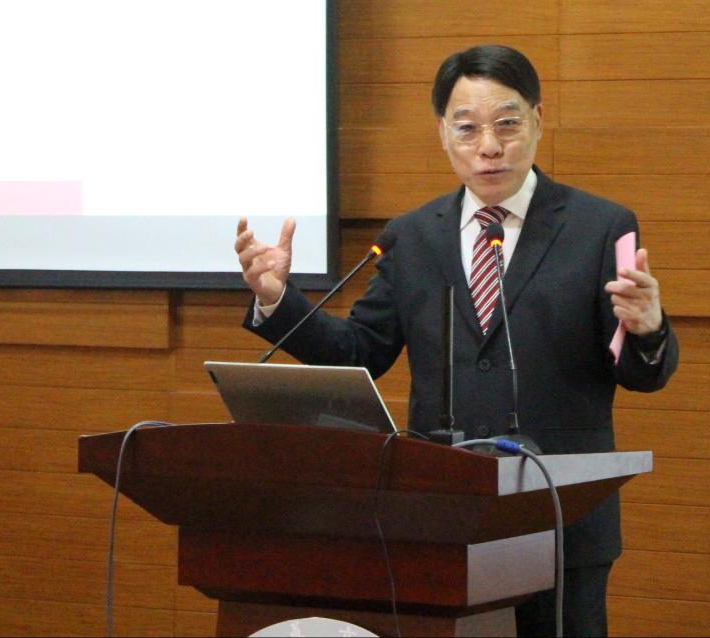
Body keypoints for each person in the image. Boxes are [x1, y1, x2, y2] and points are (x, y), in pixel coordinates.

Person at [234, 45, 678, 637]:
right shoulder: (413, 235)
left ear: (538, 120)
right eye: (467, 128)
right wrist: (276, 299)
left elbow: (641, 373)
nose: (489, 146)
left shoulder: (600, 226)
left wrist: (648, 329)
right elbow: (360, 351)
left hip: (560, 519)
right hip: (439, 519)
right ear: (442, 134)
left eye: (507, 124)